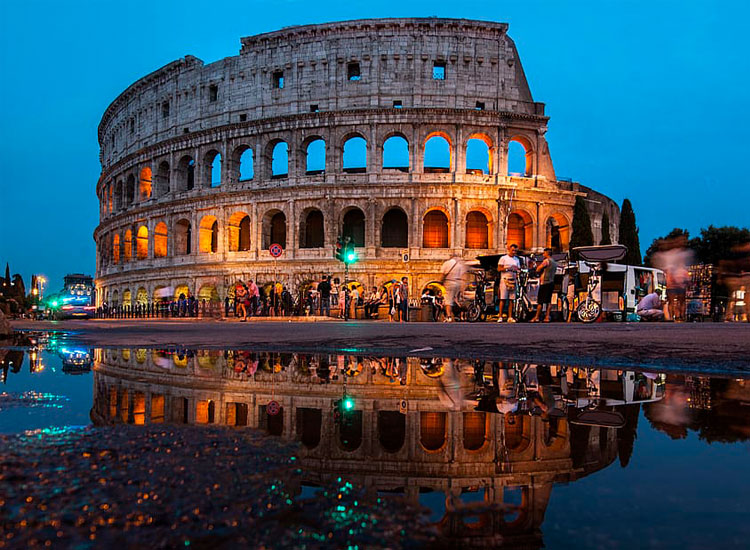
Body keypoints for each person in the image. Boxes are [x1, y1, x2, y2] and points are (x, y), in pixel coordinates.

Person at [531, 248, 558, 322]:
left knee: (540, 301)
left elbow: (538, 269)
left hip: (545, 282)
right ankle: (547, 317)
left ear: (547, 253)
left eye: (544, 253)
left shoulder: (546, 261)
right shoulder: (555, 262)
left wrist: (537, 269)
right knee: (548, 301)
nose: (543, 255)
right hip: (551, 282)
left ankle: (536, 317)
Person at [497, 244, 521, 322]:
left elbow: (518, 269)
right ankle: (500, 316)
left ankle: (510, 316)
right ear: (509, 250)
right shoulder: (503, 258)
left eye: (515, 251)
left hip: (513, 280)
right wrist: (508, 268)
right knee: (503, 298)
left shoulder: (517, 260)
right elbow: (499, 268)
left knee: (512, 299)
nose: (514, 252)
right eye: (513, 250)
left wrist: (517, 270)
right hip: (504, 279)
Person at [440, 254, 467, 322]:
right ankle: (459, 315)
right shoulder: (460, 265)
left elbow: (443, 273)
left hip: (449, 282)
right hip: (458, 282)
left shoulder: (447, 263)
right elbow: (463, 275)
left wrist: (441, 281)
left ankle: (449, 317)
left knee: (448, 301)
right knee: (456, 299)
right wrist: (463, 286)